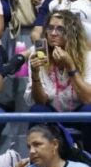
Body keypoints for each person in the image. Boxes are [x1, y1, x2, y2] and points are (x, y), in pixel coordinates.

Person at [28, 10, 91, 149]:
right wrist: (35, 74)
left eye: (60, 29)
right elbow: (41, 101)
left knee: (90, 110)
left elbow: (88, 98)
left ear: (72, 32)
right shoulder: (37, 55)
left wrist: (71, 68)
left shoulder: (88, 57)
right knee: (37, 110)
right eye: (50, 28)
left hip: (79, 113)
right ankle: (40, 164)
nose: (53, 33)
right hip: (53, 113)